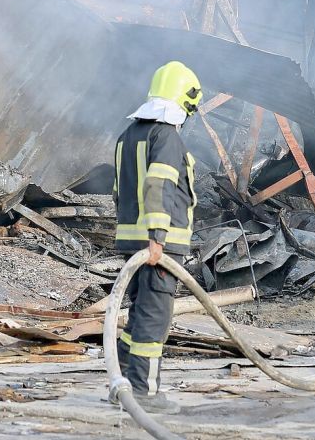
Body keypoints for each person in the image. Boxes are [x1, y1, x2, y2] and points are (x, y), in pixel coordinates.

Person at [113, 61, 202, 412]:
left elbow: (120, 192)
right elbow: (160, 186)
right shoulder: (165, 136)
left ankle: (121, 383)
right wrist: (158, 237)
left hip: (132, 240)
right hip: (157, 246)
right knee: (154, 316)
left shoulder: (128, 135)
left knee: (139, 314)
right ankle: (145, 393)